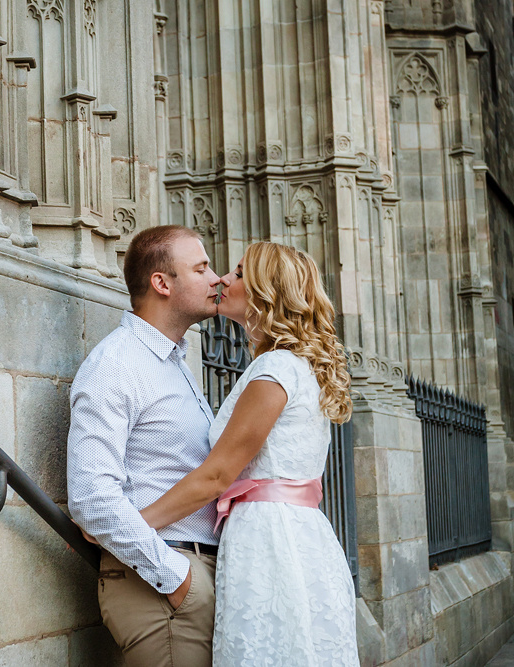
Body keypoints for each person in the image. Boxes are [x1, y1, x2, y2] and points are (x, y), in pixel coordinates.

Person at [139, 242, 360, 666]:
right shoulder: (297, 365)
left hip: (270, 540)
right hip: (297, 535)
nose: (222, 279)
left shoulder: (275, 368)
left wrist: (130, 526)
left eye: (238, 274)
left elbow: (217, 477)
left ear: (265, 292)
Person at [66, 225, 221, 667]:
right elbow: (93, 497)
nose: (216, 279)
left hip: (186, 579)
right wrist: (177, 580)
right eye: (201, 268)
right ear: (162, 282)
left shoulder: (175, 362)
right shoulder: (116, 364)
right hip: (161, 585)